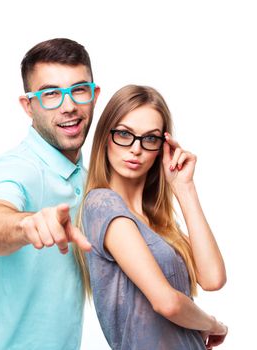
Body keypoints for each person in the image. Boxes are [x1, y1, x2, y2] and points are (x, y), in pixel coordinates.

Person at [0, 38, 100, 350]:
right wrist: (26, 224)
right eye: (51, 94)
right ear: (29, 106)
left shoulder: (87, 176)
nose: (68, 106)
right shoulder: (15, 168)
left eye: (79, 90)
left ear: (94, 95)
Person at [79, 85, 228, 350]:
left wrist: (185, 188)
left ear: (162, 147)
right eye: (124, 134)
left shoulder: (158, 223)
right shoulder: (102, 203)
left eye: (149, 139)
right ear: (105, 138)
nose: (136, 149)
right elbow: (167, 302)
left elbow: (213, 278)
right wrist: (212, 325)